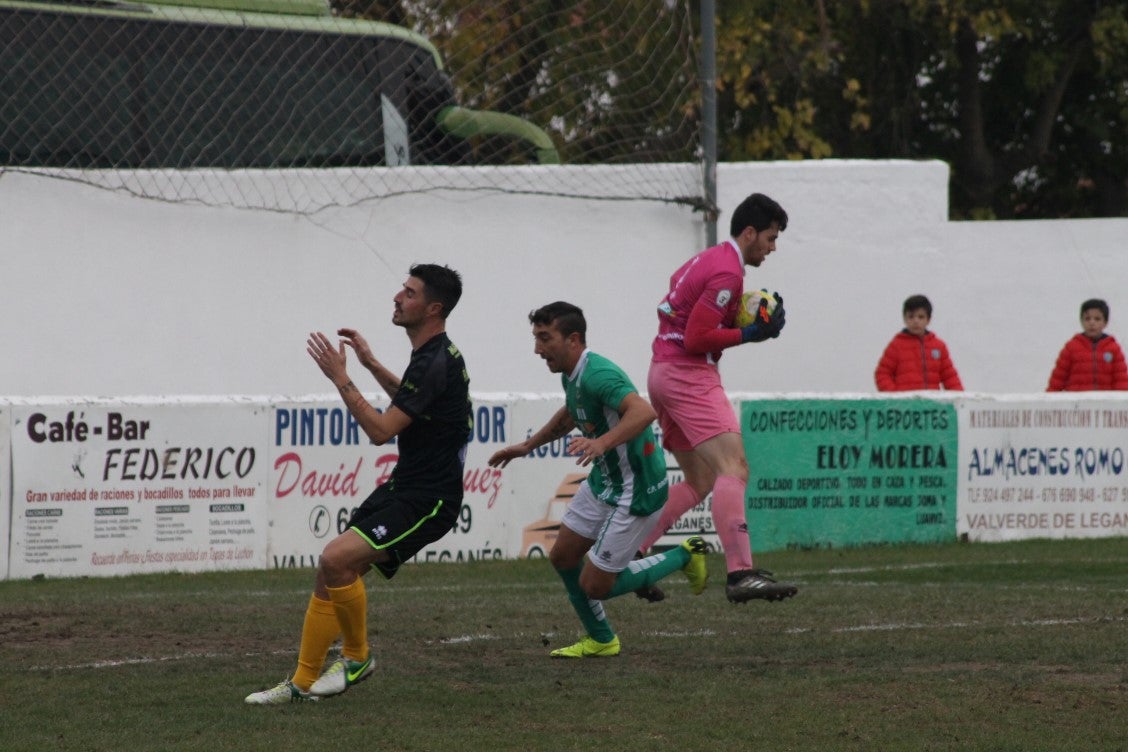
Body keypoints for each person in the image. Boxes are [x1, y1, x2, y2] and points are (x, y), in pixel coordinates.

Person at [245, 263, 472, 704]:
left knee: (335, 557)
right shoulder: (432, 357)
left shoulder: (434, 361)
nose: (397, 297)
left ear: (433, 308)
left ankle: (357, 658)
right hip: (405, 486)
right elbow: (412, 401)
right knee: (330, 572)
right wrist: (369, 363)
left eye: (409, 293)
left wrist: (341, 377)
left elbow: (382, 431)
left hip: (430, 499)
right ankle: (300, 684)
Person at [487, 301, 708, 658]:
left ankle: (685, 554)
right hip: (605, 481)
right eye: (536, 338)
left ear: (573, 339)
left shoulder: (598, 374)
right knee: (563, 558)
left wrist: (600, 442)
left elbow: (643, 411)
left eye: (545, 338)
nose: (537, 349)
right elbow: (572, 413)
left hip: (635, 488)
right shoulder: (572, 375)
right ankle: (602, 640)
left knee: (594, 585)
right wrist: (527, 446)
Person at [638, 192, 798, 605]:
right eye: (770, 238)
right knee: (735, 467)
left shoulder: (708, 259)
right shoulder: (729, 272)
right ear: (749, 233)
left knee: (701, 480)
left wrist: (734, 316)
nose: (773, 247)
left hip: (662, 372)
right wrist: (749, 332)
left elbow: (678, 296)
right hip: (688, 374)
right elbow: (696, 338)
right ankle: (741, 573)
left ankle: (631, 557)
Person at [874, 294, 964, 392]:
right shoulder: (896, 346)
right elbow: (882, 373)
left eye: (921, 317)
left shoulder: (938, 346)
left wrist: (959, 398)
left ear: (928, 320)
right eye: (911, 317)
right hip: (905, 405)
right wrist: (895, 397)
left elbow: (949, 376)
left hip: (932, 404)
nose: (916, 321)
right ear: (905, 319)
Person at [1047, 298, 1128, 391]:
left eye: (1097, 319)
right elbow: (1057, 379)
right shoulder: (1071, 348)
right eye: (1087, 319)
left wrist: (1122, 403)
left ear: (1105, 323)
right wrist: (1048, 402)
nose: (1092, 323)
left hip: (1104, 404)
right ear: (1081, 321)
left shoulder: (1113, 349)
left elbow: (1121, 381)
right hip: (1077, 404)